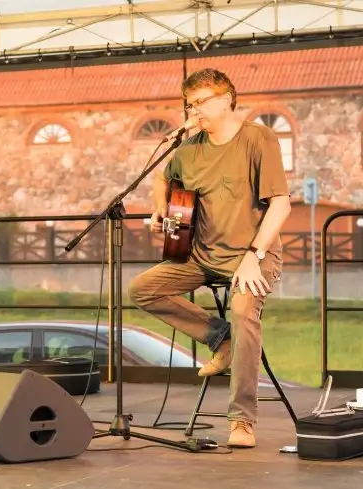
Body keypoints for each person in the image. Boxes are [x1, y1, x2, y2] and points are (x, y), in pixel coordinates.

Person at [128, 68, 290, 448]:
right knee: (142, 289)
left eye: (201, 102)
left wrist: (254, 255)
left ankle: (242, 421)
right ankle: (221, 338)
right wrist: (160, 207)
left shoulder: (258, 138)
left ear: (227, 99)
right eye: (190, 104)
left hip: (254, 256)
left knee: (244, 309)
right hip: (200, 256)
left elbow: (281, 204)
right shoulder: (188, 149)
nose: (194, 110)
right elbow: (161, 178)